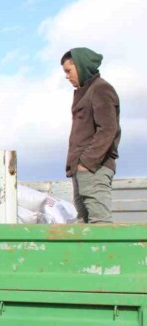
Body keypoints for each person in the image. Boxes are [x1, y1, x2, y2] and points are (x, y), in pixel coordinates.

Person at [61, 48, 120, 224]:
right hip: (83, 168)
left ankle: (107, 253)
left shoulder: (101, 89)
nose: (67, 76)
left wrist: (86, 162)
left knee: (99, 224)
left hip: (95, 167)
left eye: (68, 71)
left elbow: (108, 129)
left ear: (81, 66)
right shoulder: (86, 91)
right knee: (85, 226)